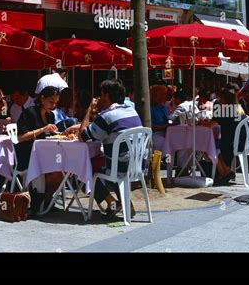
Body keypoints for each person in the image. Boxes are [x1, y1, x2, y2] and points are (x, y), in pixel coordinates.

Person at [64, 79, 142, 218]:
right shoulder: (131, 111)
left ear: (106, 96)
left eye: (101, 94)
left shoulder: (106, 116)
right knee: (111, 163)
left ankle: (111, 203)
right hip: (138, 165)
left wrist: (89, 109)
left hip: (121, 166)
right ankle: (127, 204)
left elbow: (83, 136)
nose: (99, 98)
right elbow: (103, 130)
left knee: (88, 167)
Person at [15, 86, 60, 171]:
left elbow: (49, 136)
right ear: (42, 99)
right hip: (27, 154)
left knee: (61, 158)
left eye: (56, 103)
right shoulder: (29, 112)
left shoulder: (50, 115)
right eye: (51, 102)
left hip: (44, 151)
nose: (53, 106)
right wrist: (43, 129)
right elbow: (20, 138)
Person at [212, 86, 246, 183]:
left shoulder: (227, 111)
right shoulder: (238, 108)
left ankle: (225, 172)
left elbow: (212, 124)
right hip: (241, 142)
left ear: (225, 99)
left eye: (221, 98)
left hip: (232, 144)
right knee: (215, 147)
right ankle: (226, 173)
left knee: (210, 148)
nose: (219, 100)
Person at [150, 85, 169, 151]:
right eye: (162, 94)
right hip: (154, 134)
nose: (164, 96)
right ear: (154, 95)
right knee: (165, 144)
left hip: (166, 132)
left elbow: (166, 120)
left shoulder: (163, 106)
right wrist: (163, 127)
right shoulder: (150, 108)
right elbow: (150, 126)